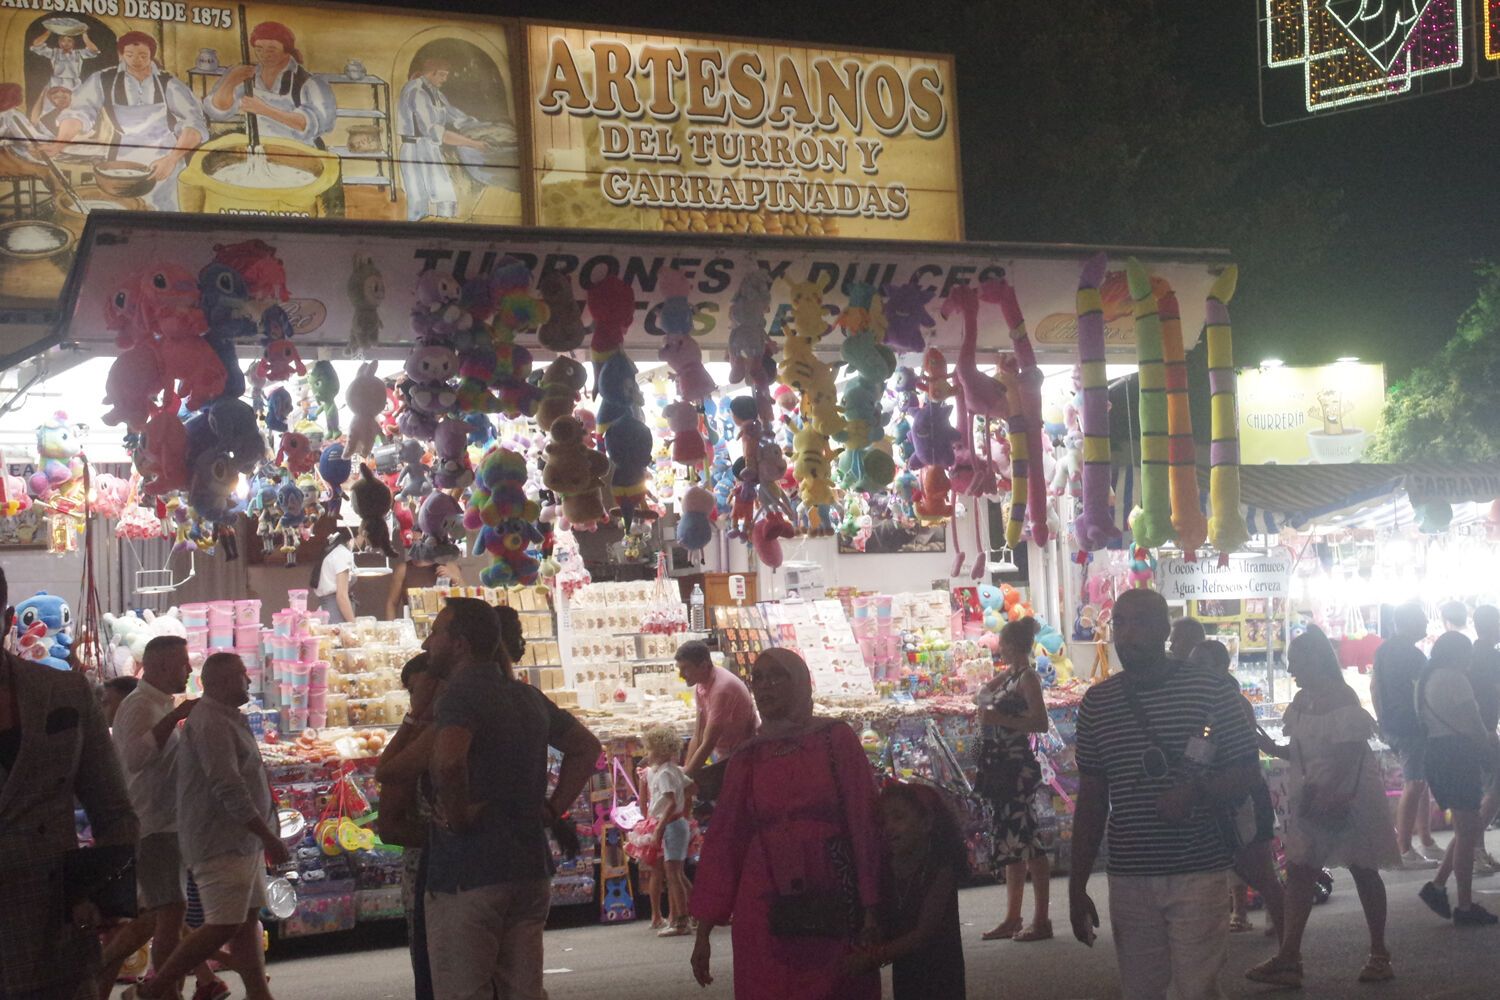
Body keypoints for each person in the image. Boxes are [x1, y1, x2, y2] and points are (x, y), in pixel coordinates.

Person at [1067, 588, 1260, 1000]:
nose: (1127, 632)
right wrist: (1076, 885)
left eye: (1139, 622)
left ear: (1164, 630)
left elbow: (1246, 769)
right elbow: (1092, 799)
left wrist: (1198, 793)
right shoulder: (1097, 704)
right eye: (1119, 622)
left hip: (1199, 867)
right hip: (1130, 872)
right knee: (1141, 988)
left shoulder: (1211, 690)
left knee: (1196, 988)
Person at [424, 598, 603, 1000]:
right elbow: (586, 748)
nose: (427, 642)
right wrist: (552, 807)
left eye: (435, 632)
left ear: (460, 644)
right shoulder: (525, 697)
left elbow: (449, 761)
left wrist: (457, 816)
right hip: (527, 864)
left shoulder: (461, 695)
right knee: (523, 989)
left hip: (470, 871)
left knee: (465, 989)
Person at [689, 648, 883, 999]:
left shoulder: (835, 739)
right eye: (758, 679)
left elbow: (864, 820)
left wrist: (872, 904)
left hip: (832, 890)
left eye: (776, 676)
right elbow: (724, 841)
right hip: (762, 901)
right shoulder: (748, 756)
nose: (765, 686)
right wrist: (703, 930)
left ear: (800, 684)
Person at [0, 565, 139, 1000]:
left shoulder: (65, 693)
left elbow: (115, 810)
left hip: (52, 929)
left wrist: (102, 897)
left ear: (7, 618)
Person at [126, 653, 290, 1000]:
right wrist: (267, 835)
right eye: (241, 675)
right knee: (223, 924)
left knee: (245, 923)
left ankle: (259, 993)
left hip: (242, 841)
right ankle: (155, 988)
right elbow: (228, 786)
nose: (248, 681)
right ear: (219, 682)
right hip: (219, 840)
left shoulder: (227, 718)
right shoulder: (208, 721)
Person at [1244, 626, 1399, 988]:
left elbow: (1349, 755)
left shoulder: (1343, 698)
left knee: (1363, 870)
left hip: (1346, 796)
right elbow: (1300, 751)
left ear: (1316, 661)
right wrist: (1273, 749)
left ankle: (1379, 953)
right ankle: (1289, 957)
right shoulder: (1302, 701)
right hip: (1314, 795)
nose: (1291, 671)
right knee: (1300, 873)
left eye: (1296, 663)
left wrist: (1329, 793)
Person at [98, 637, 228, 1000]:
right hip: (152, 824)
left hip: (170, 823)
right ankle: (161, 989)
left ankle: (172, 985)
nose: (188, 671)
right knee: (170, 912)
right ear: (159, 667)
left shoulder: (158, 705)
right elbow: (137, 758)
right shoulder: (139, 705)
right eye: (183, 664)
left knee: (161, 915)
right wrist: (175, 717)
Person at [1187, 639, 1285, 941]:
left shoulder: (1230, 701)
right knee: (1239, 863)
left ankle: (1283, 933)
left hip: (1243, 794)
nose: (1193, 670)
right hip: (1218, 792)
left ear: (1219, 667)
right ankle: (1242, 914)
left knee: (1258, 864)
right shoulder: (1203, 700)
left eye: (1200, 664)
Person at [50, 31, 207, 212]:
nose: (136, 60)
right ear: (121, 54)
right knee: (126, 213)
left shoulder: (169, 83)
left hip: (166, 160)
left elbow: (194, 124)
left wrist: (172, 159)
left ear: (152, 55)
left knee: (165, 213)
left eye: (143, 55)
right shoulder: (103, 79)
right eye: (129, 55)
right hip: (121, 162)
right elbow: (78, 112)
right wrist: (59, 142)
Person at [845, 782, 967, 1000]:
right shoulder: (886, 869)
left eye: (898, 817)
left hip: (941, 971)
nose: (889, 827)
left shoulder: (940, 867)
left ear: (927, 822)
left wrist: (874, 956)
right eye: (884, 821)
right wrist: (873, 932)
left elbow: (923, 934)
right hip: (906, 972)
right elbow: (890, 919)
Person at [973, 616, 1053, 942]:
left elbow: (1040, 722)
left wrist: (1000, 717)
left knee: (1027, 841)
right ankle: (1013, 916)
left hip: (1015, 767)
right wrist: (1001, 678)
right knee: (1015, 842)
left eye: (1002, 644)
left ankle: (1039, 918)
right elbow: (979, 698)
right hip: (1001, 766)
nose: (999, 649)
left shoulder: (1029, 678)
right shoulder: (1013, 675)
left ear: (1011, 645)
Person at [1416, 631, 1498, 926]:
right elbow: (1474, 724)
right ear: (1458, 655)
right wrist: (1490, 745)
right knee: (1468, 832)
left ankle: (1437, 887)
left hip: (1438, 753)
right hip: (1457, 756)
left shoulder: (1429, 678)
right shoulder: (1454, 678)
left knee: (1467, 827)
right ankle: (1464, 905)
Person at [376, 654, 444, 1000]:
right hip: (429, 879)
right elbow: (388, 825)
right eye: (415, 693)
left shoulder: (458, 726)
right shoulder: (418, 738)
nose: (419, 699)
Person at [1370, 601, 1442, 867]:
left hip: (1392, 724)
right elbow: (1427, 694)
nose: (1425, 623)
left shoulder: (1384, 650)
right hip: (1411, 726)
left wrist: (1381, 720)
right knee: (1415, 784)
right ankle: (1403, 848)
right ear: (1409, 623)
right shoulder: (1413, 656)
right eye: (1421, 619)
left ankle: (1426, 839)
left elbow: (1374, 686)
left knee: (1420, 781)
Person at [205, 21, 336, 149]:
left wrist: (264, 109)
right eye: (259, 49)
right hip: (258, 150)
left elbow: (311, 124)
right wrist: (231, 81)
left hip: (298, 152)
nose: (264, 55)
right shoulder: (248, 75)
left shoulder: (308, 82)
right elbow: (218, 110)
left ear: (287, 50)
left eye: (271, 50)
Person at [397, 56, 496, 221]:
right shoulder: (416, 91)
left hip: (429, 149)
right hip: (415, 150)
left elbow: (454, 115)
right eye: (442, 75)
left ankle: (444, 232)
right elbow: (433, 131)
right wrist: (473, 144)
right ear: (431, 73)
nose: (445, 79)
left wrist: (484, 127)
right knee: (419, 200)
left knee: (445, 197)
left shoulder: (435, 92)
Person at [677, 639, 758, 779]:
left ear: (703, 666)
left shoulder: (722, 688)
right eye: (680, 668)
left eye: (686, 668)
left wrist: (687, 776)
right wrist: (686, 769)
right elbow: (698, 734)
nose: (681, 674)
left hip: (744, 755)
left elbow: (709, 742)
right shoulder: (701, 684)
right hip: (726, 754)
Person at [642, 724, 695, 937]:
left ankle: (681, 921)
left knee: (673, 874)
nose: (647, 754)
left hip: (672, 824)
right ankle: (694, 912)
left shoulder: (664, 773)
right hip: (679, 823)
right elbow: (692, 788)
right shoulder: (674, 770)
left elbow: (671, 803)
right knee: (678, 872)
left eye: (650, 749)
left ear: (661, 750)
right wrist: (687, 811)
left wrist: (659, 828)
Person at [1470, 605, 1500, 873]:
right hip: (1486, 731)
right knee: (1494, 790)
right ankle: (1474, 847)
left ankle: (1476, 846)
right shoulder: (1490, 658)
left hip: (1476, 731)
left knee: (1484, 790)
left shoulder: (1471, 654)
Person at [384, 550, 464, 620]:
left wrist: (453, 578)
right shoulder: (403, 569)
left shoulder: (449, 566)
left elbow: (468, 599)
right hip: (414, 628)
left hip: (447, 629)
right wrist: (391, 629)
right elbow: (392, 603)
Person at [29, 28, 98, 96]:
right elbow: (37, 45)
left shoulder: (78, 53)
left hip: (74, 85)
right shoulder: (54, 53)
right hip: (56, 84)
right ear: (59, 43)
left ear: (73, 43)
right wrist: (48, 31)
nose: (66, 43)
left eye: (69, 41)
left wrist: (84, 35)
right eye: (63, 41)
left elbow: (93, 50)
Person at [310, 526, 356, 623]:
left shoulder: (334, 552)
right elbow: (342, 596)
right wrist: (353, 625)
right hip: (335, 613)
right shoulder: (342, 554)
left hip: (328, 609)